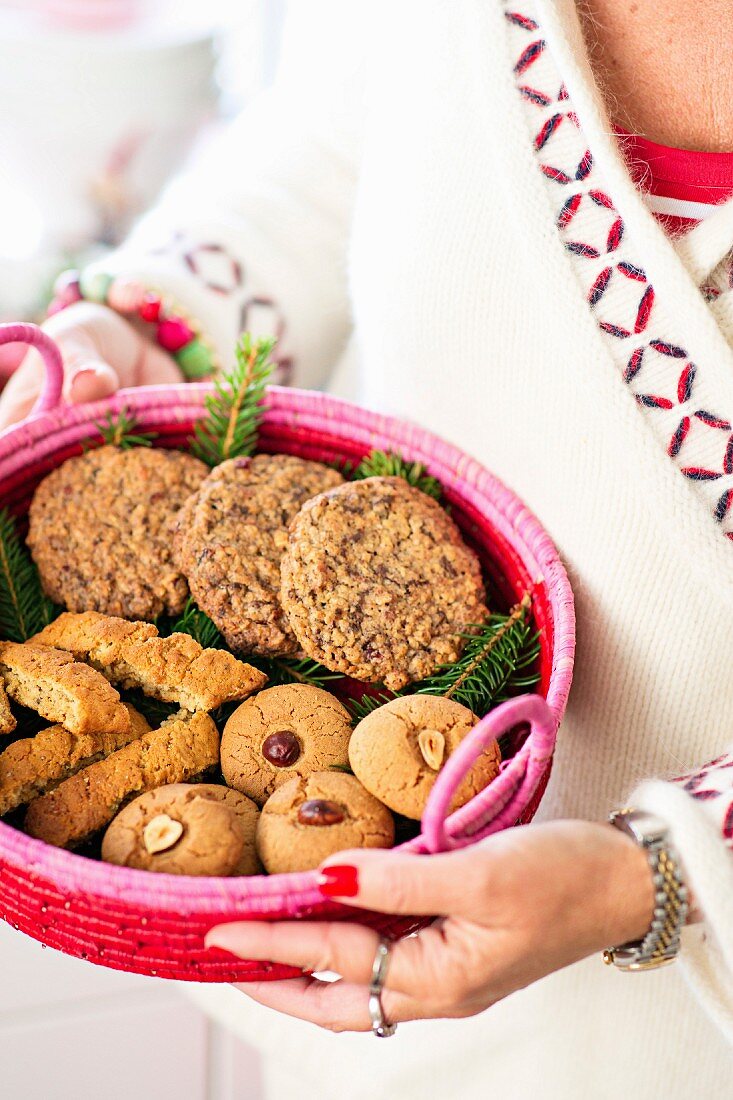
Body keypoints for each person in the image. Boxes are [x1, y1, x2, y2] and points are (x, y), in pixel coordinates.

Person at [2, 2, 733, 1096]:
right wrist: (137, 329)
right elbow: (335, 147)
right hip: (357, 960)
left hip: (675, 1028)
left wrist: (661, 869)